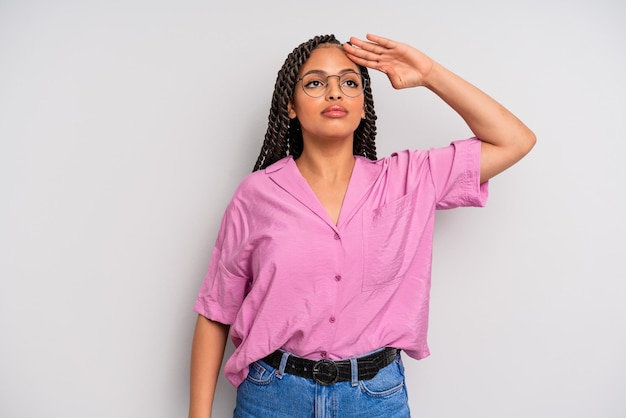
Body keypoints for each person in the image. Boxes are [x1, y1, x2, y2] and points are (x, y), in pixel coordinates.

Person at [188, 33, 536, 418]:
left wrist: (429, 74)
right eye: (316, 83)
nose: (334, 93)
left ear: (364, 107)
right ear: (290, 105)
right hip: (273, 396)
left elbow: (514, 141)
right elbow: (216, 311)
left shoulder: (408, 179)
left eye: (349, 83)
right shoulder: (256, 194)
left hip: (374, 400)